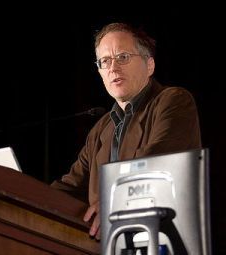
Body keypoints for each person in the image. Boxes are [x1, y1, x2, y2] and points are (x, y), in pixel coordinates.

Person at [51, 22, 201, 240]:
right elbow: (70, 188)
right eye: (105, 61)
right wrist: (11, 192)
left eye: (122, 57)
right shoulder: (101, 129)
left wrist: (114, 200)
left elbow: (158, 162)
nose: (113, 68)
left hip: (160, 239)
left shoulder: (172, 101)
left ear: (149, 65)